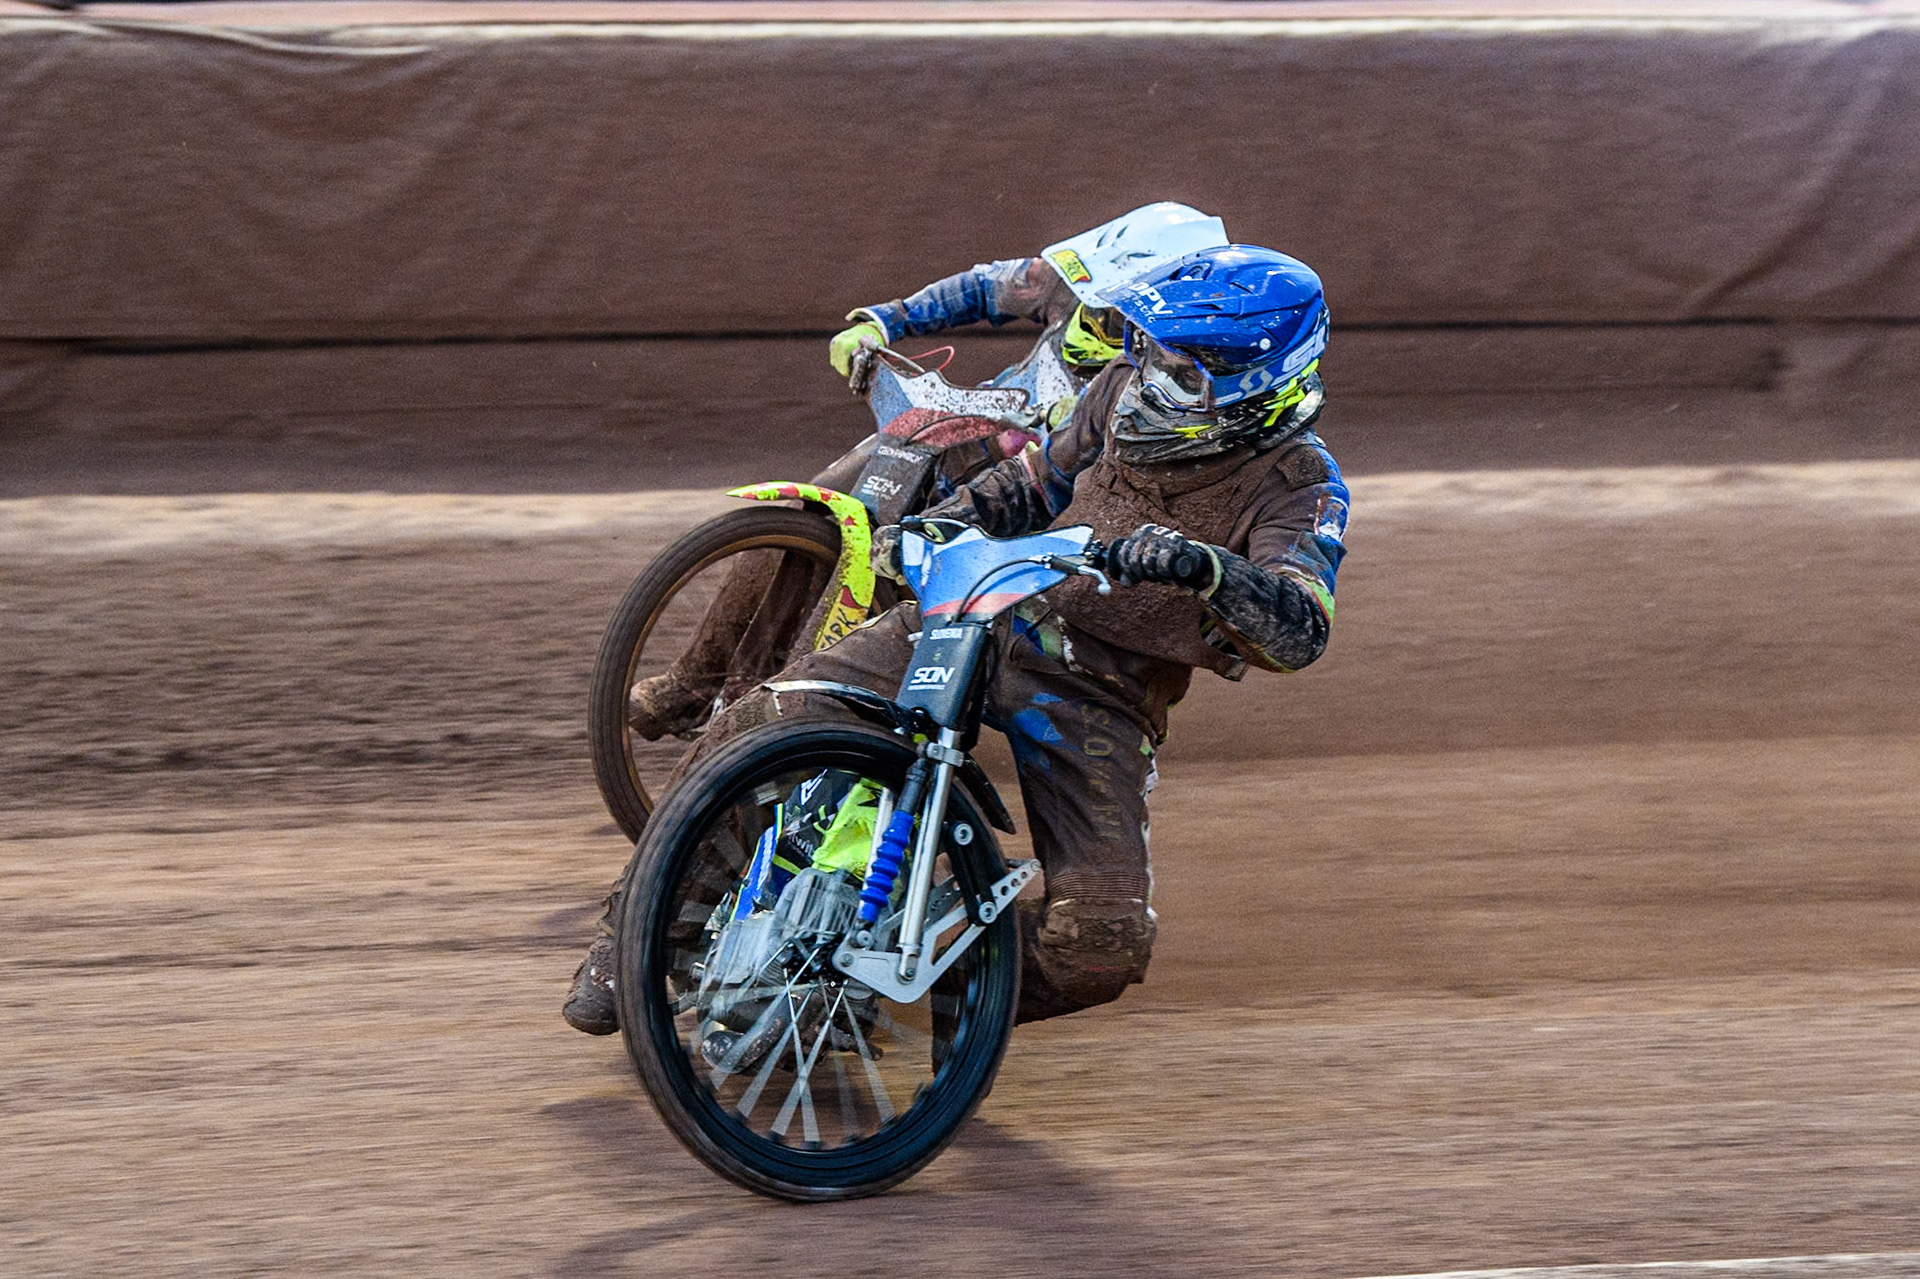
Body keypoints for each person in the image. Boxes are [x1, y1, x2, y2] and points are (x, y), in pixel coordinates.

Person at [566, 241, 1345, 1036]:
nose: (1146, 379)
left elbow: (1300, 627)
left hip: (1100, 694)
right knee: (771, 713)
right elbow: (1038, 479)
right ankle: (629, 935)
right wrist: (946, 524)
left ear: (1257, 390)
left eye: (1180, 372)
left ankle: (918, 1001)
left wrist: (1209, 570)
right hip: (988, 607)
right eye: (1148, 351)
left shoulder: (1301, 485)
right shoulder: (1115, 389)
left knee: (1100, 944)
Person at [623, 202, 1230, 741]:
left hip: (1042, 510)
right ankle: (691, 686)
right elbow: (985, 287)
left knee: (907, 611)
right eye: (1094, 303)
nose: (1096, 318)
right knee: (803, 517)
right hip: (953, 437)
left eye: (1114, 310)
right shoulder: (1067, 289)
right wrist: (884, 321)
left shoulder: (1185, 365)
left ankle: (843, 729)